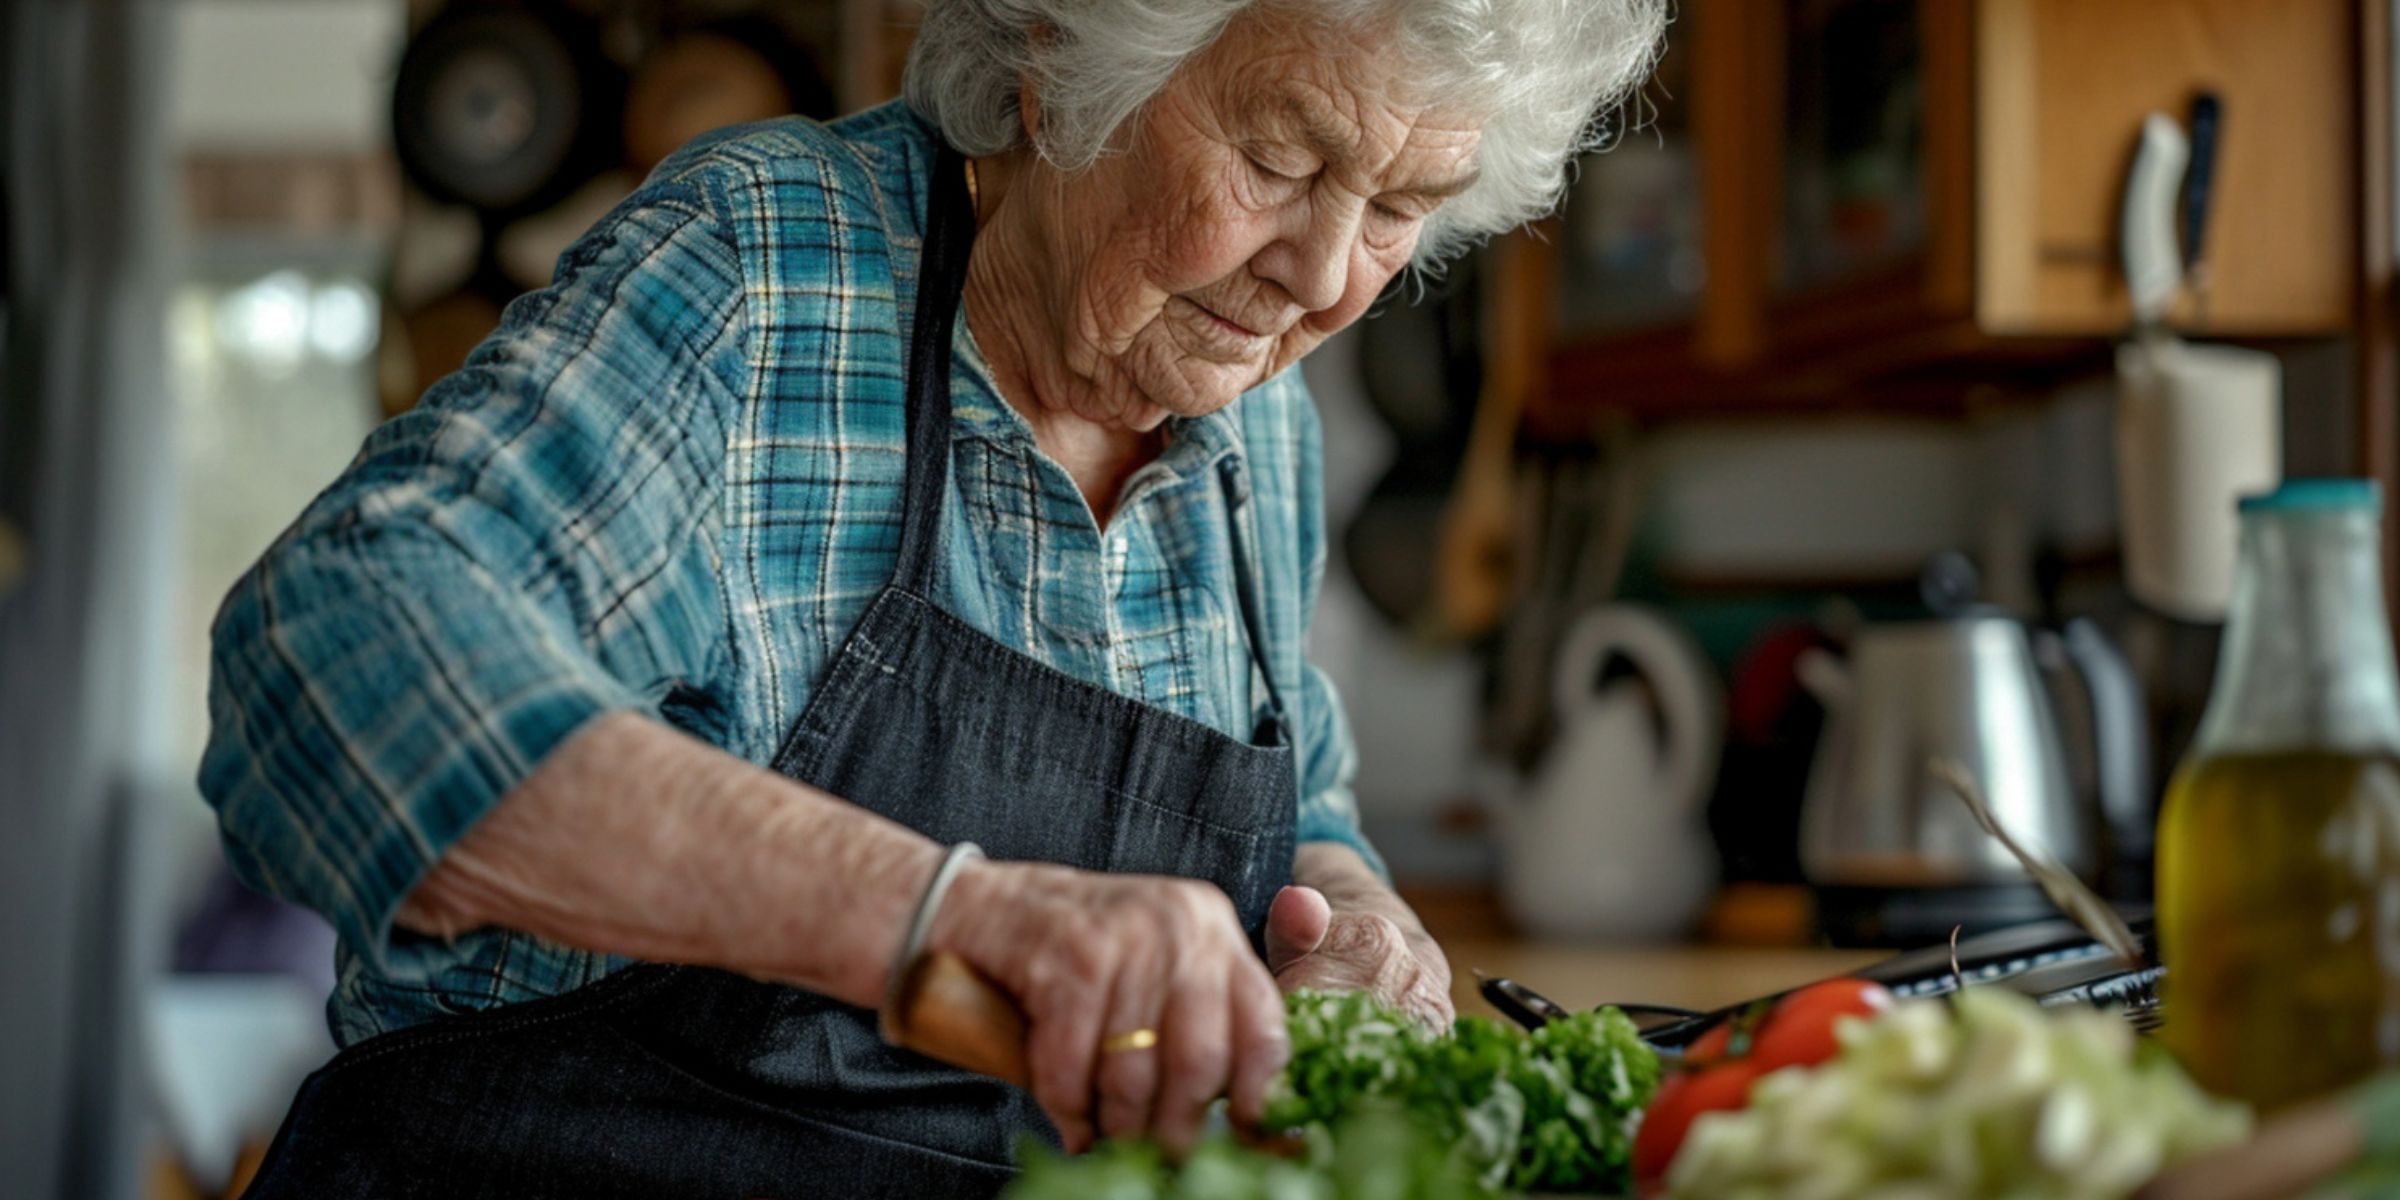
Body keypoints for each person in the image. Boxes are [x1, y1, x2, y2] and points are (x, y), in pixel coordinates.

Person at [202, 0, 1664, 1193]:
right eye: (1279, 162)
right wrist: (946, 917)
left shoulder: (1255, 424)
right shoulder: (761, 273)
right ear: (1052, 66)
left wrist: (1343, 914)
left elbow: (1307, 800)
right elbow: (329, 656)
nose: (1326, 277)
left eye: (1402, 206)